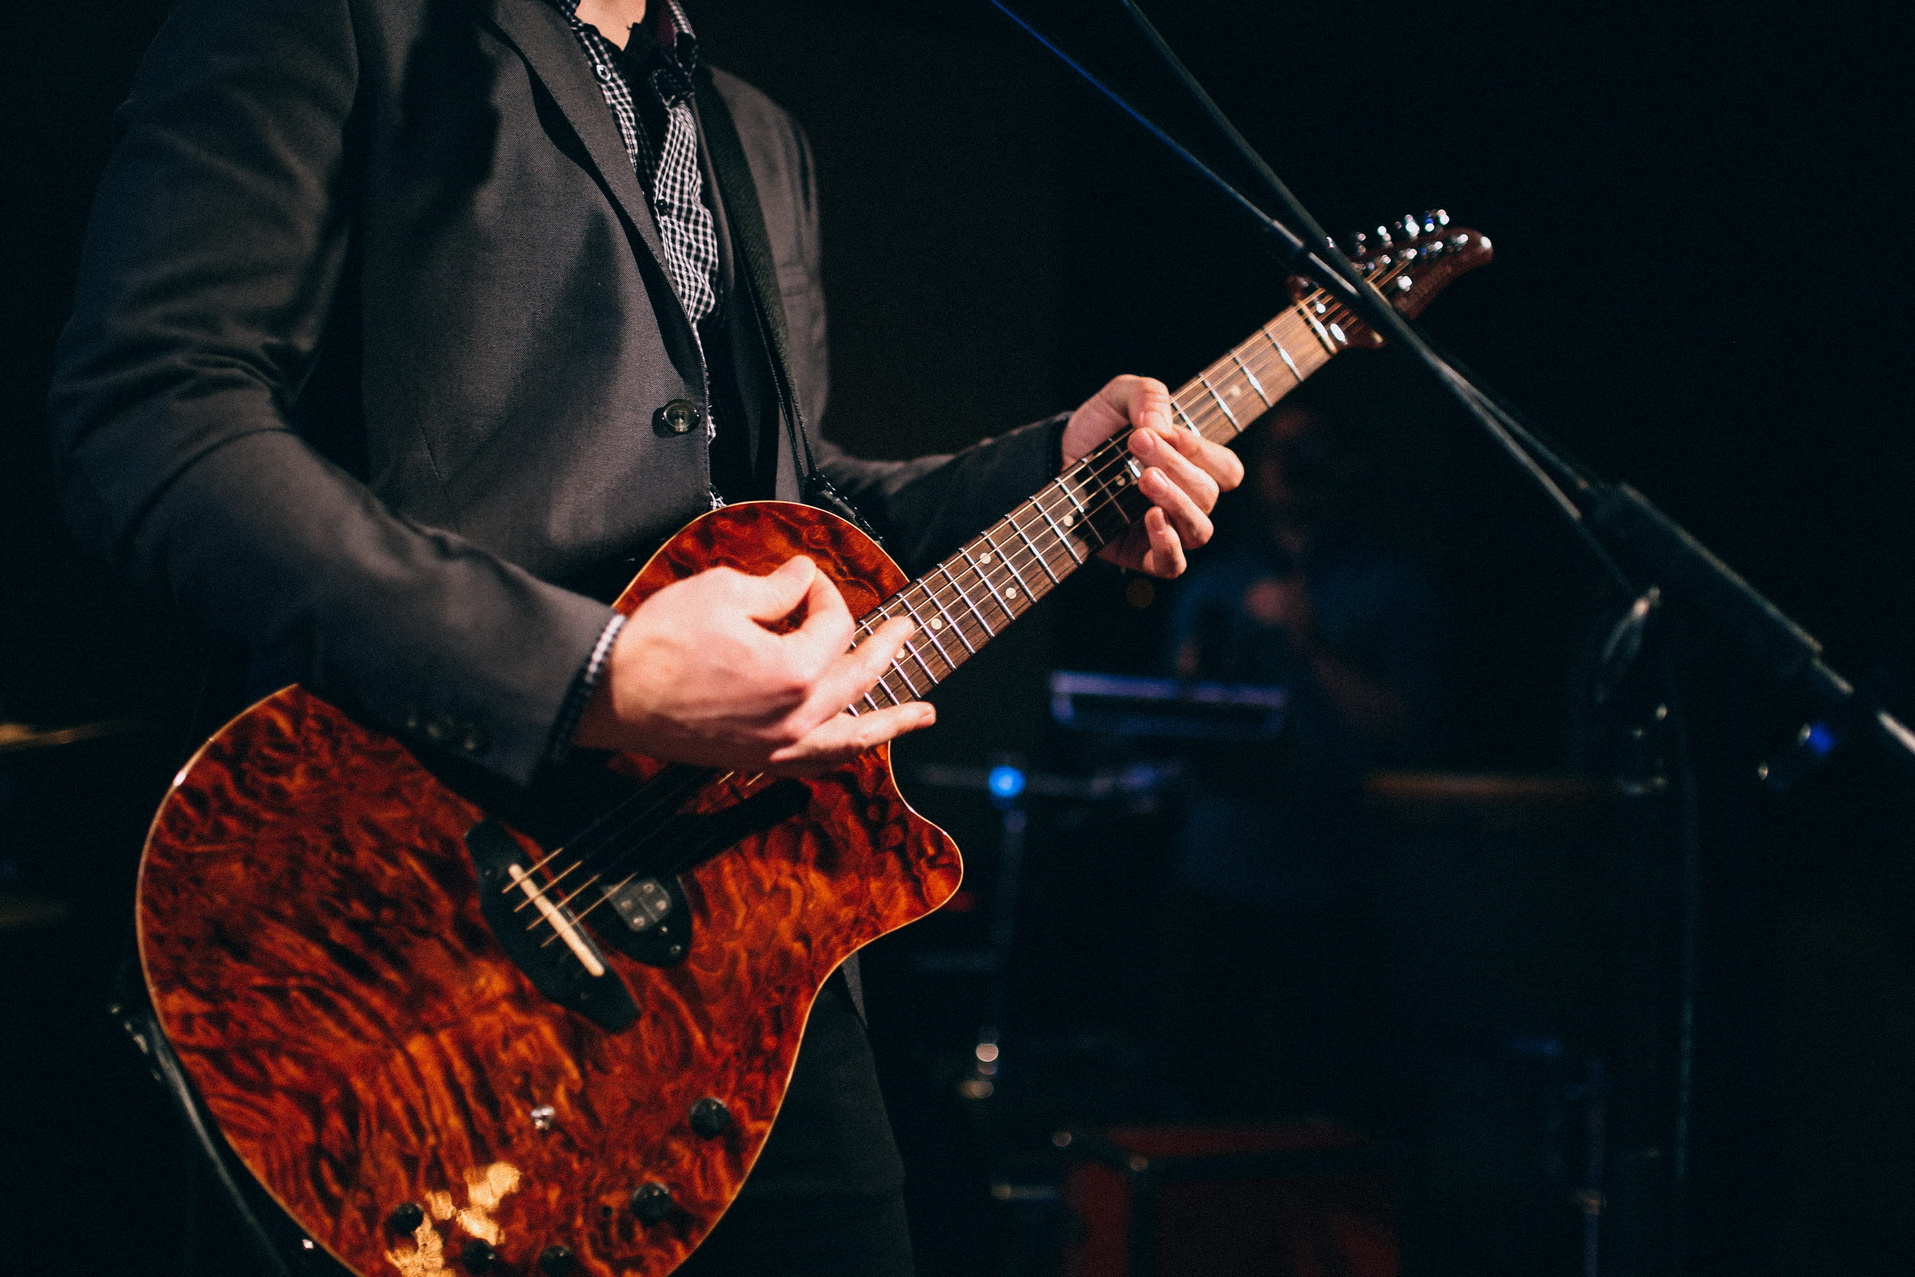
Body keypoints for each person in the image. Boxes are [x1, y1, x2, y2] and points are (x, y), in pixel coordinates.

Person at [47, 0, 1240, 1271]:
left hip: (750, 954)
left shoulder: (757, 135)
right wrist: (586, 675)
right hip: (430, 930)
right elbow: (156, 412)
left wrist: (1046, 475)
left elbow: (794, 503)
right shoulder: (338, 24)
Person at [1159, 394, 1436, 1123]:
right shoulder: (1216, 579)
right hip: (1217, 864)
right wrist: (1193, 682)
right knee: (1204, 1087)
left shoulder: (1388, 581)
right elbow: (1172, 720)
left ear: (1345, 464)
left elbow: (1406, 725)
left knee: (1320, 1092)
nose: (1287, 468)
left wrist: (1311, 643)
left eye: (1307, 451)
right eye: (1275, 452)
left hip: (1333, 871)